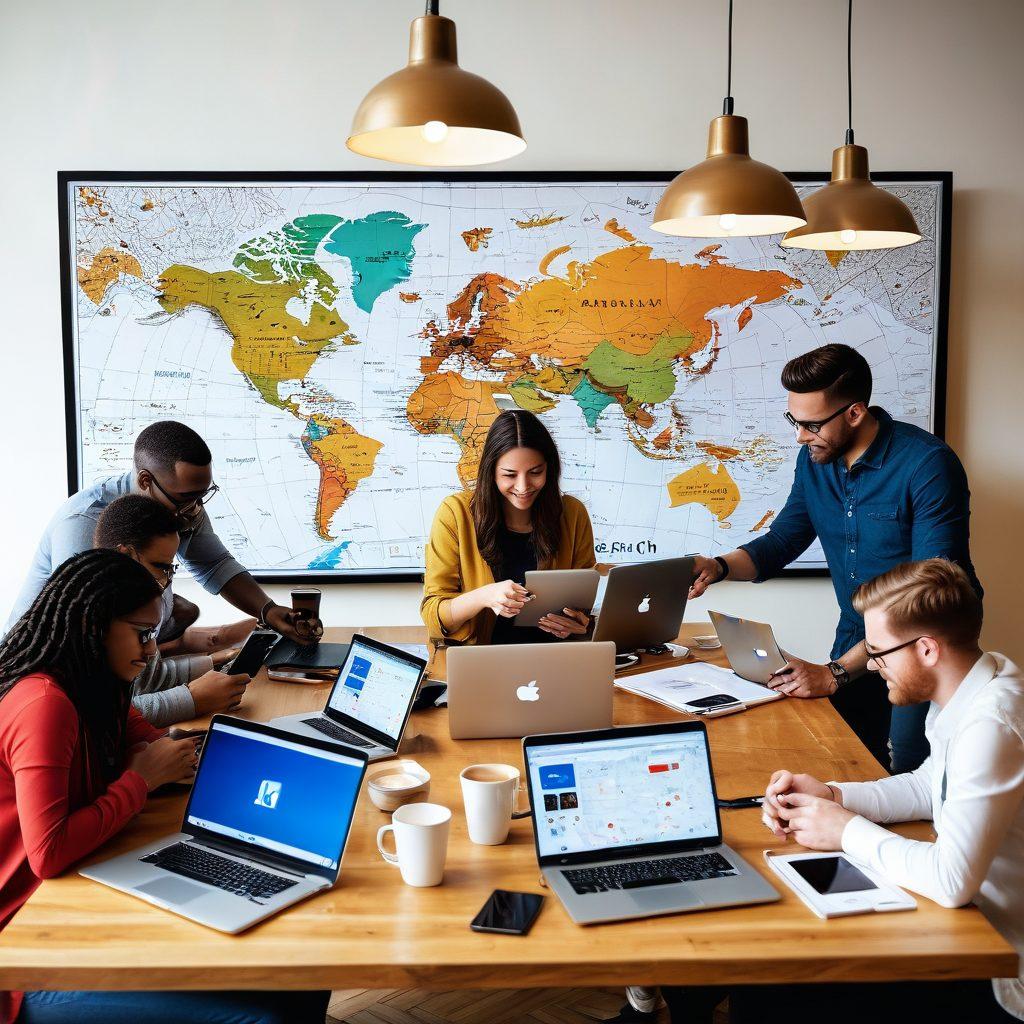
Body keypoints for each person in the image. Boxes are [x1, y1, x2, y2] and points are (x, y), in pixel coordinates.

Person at [665, 559, 1023, 1024]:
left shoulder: (991, 725)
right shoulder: (975, 682)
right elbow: (929, 785)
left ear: (927, 649)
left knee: (769, 991)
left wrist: (846, 830)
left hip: (999, 967)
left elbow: (950, 881)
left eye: (878, 652)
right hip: (972, 923)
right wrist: (834, 796)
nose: (871, 665)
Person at [0, 550, 330, 1023]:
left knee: (305, 967)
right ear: (93, 628)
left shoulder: (97, 685)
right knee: (264, 1016)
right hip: (23, 948)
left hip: (74, 897)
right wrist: (141, 780)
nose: (153, 649)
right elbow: (47, 854)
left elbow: (155, 745)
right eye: (142, 634)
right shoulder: (44, 705)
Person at [688, 344, 981, 773]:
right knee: (846, 753)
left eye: (811, 425)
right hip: (856, 632)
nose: (800, 436)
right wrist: (718, 566)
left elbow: (930, 596)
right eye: (795, 421)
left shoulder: (928, 465)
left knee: (909, 765)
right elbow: (783, 541)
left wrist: (835, 672)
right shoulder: (814, 460)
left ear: (855, 413)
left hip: (922, 643)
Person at [5, 420, 319, 646]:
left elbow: (214, 563)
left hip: (128, 649)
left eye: (202, 495)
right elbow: (84, 633)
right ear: (146, 481)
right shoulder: (83, 522)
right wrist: (190, 689)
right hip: (47, 662)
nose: (195, 509)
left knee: (182, 610)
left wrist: (268, 610)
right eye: (187, 498)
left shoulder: (181, 503)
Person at [421, 409, 596, 649]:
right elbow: (433, 616)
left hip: (553, 658)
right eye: (510, 475)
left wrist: (581, 624)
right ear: (491, 472)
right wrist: (484, 596)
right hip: (480, 662)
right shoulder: (455, 513)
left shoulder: (573, 514)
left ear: (549, 468)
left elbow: (582, 605)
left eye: (535, 472)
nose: (523, 487)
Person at [93, 495, 253, 727]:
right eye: (160, 567)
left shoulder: (134, 606)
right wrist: (193, 699)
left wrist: (216, 661)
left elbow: (149, 678)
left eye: (171, 569)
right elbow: (100, 718)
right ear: (125, 555)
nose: (166, 581)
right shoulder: (90, 621)